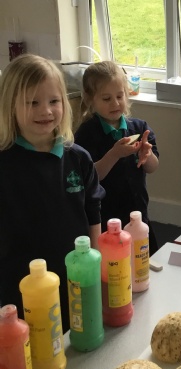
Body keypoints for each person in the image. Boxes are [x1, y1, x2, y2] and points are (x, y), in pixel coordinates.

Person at [0, 54, 104, 332]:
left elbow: (93, 212)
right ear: (10, 106)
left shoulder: (78, 158)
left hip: (74, 276)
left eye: (54, 101)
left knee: (79, 337)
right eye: (32, 102)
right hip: (21, 284)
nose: (45, 111)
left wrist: (94, 267)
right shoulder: (5, 164)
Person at [74, 60, 160, 253]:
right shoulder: (87, 133)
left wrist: (146, 155)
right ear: (90, 99)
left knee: (143, 256)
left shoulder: (139, 128)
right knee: (115, 260)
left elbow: (153, 167)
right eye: (106, 99)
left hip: (137, 213)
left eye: (120, 96)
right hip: (107, 217)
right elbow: (91, 177)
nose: (115, 103)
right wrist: (114, 154)